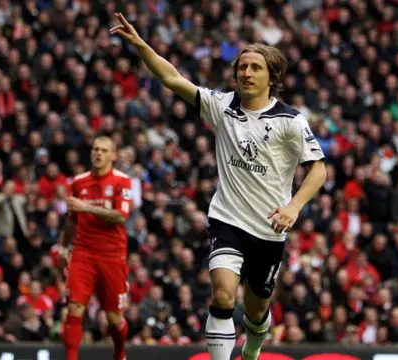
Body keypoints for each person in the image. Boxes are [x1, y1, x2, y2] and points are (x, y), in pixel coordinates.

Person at [111, 13, 327, 360]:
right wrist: (140, 45)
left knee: (256, 312)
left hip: (270, 228)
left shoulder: (290, 120)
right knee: (223, 295)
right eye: (243, 67)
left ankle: (252, 352)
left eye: (256, 67)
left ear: (273, 77)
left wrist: (293, 207)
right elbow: (171, 78)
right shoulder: (222, 106)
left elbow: (318, 170)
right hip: (228, 219)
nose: (246, 73)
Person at [57, 135, 133, 360]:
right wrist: (63, 249)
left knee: (113, 318)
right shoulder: (78, 182)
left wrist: (86, 207)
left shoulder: (122, 181)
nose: (98, 153)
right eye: (95, 149)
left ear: (113, 156)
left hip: (112, 255)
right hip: (83, 253)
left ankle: (119, 353)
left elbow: (121, 216)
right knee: (74, 308)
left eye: (103, 150)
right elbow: (71, 220)